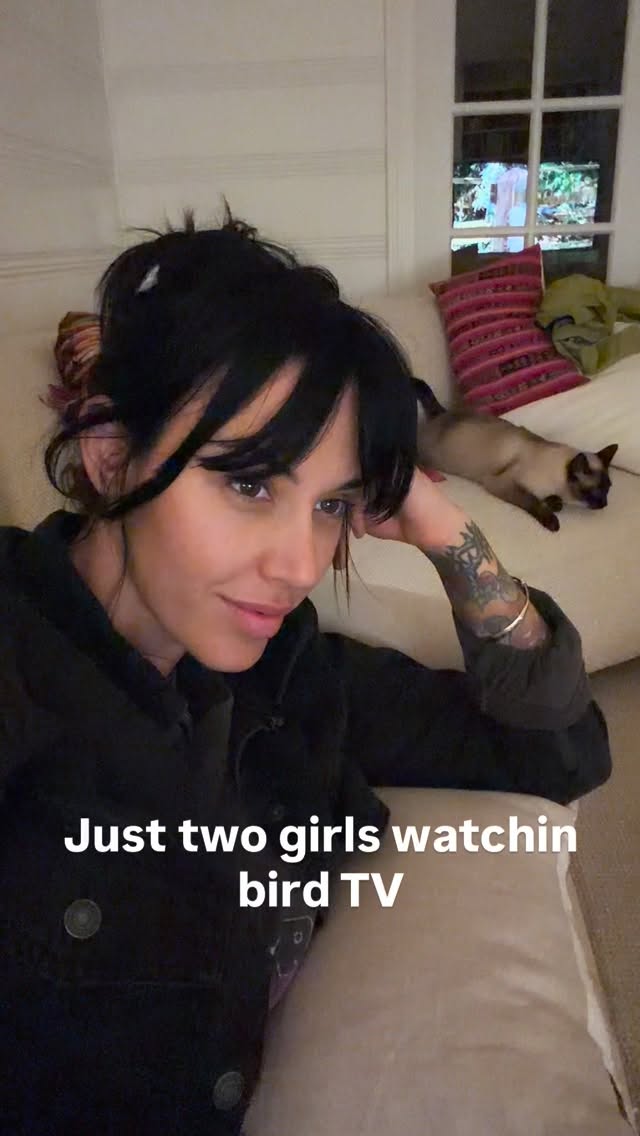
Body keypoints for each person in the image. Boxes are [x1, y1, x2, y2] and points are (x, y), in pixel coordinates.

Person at [0, 209, 611, 1135]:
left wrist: (448, 533)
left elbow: (559, 756)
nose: (299, 565)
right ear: (112, 458)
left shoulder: (286, 671)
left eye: (331, 505)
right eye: (249, 483)